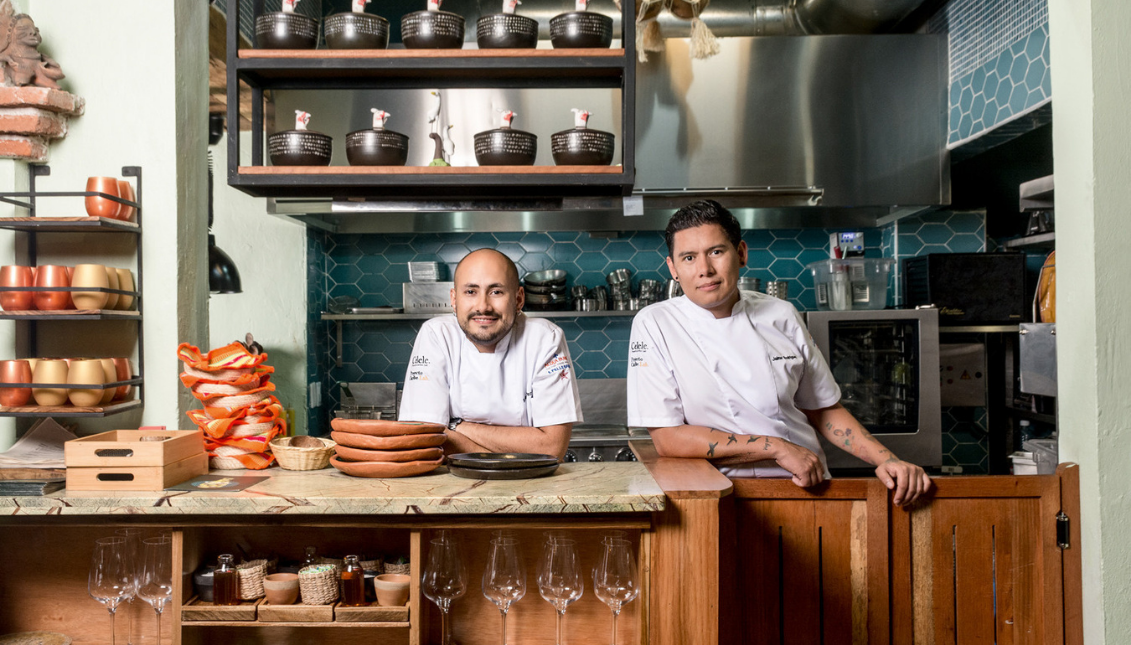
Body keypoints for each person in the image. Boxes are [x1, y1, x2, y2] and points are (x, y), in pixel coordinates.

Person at [627, 200, 931, 506]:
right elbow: (667, 438)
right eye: (689, 257)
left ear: (741, 253)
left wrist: (888, 460)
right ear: (673, 269)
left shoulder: (780, 313)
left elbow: (823, 409)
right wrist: (775, 447)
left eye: (716, 252)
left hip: (807, 487)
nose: (705, 270)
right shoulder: (655, 323)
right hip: (718, 494)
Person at [398, 248, 582, 458]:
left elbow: (552, 448)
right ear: (454, 299)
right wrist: (518, 454)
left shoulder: (545, 338)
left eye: (496, 292)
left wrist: (458, 426)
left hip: (531, 486)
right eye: (470, 292)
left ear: (519, 299)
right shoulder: (436, 335)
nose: (483, 306)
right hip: (454, 485)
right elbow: (424, 440)